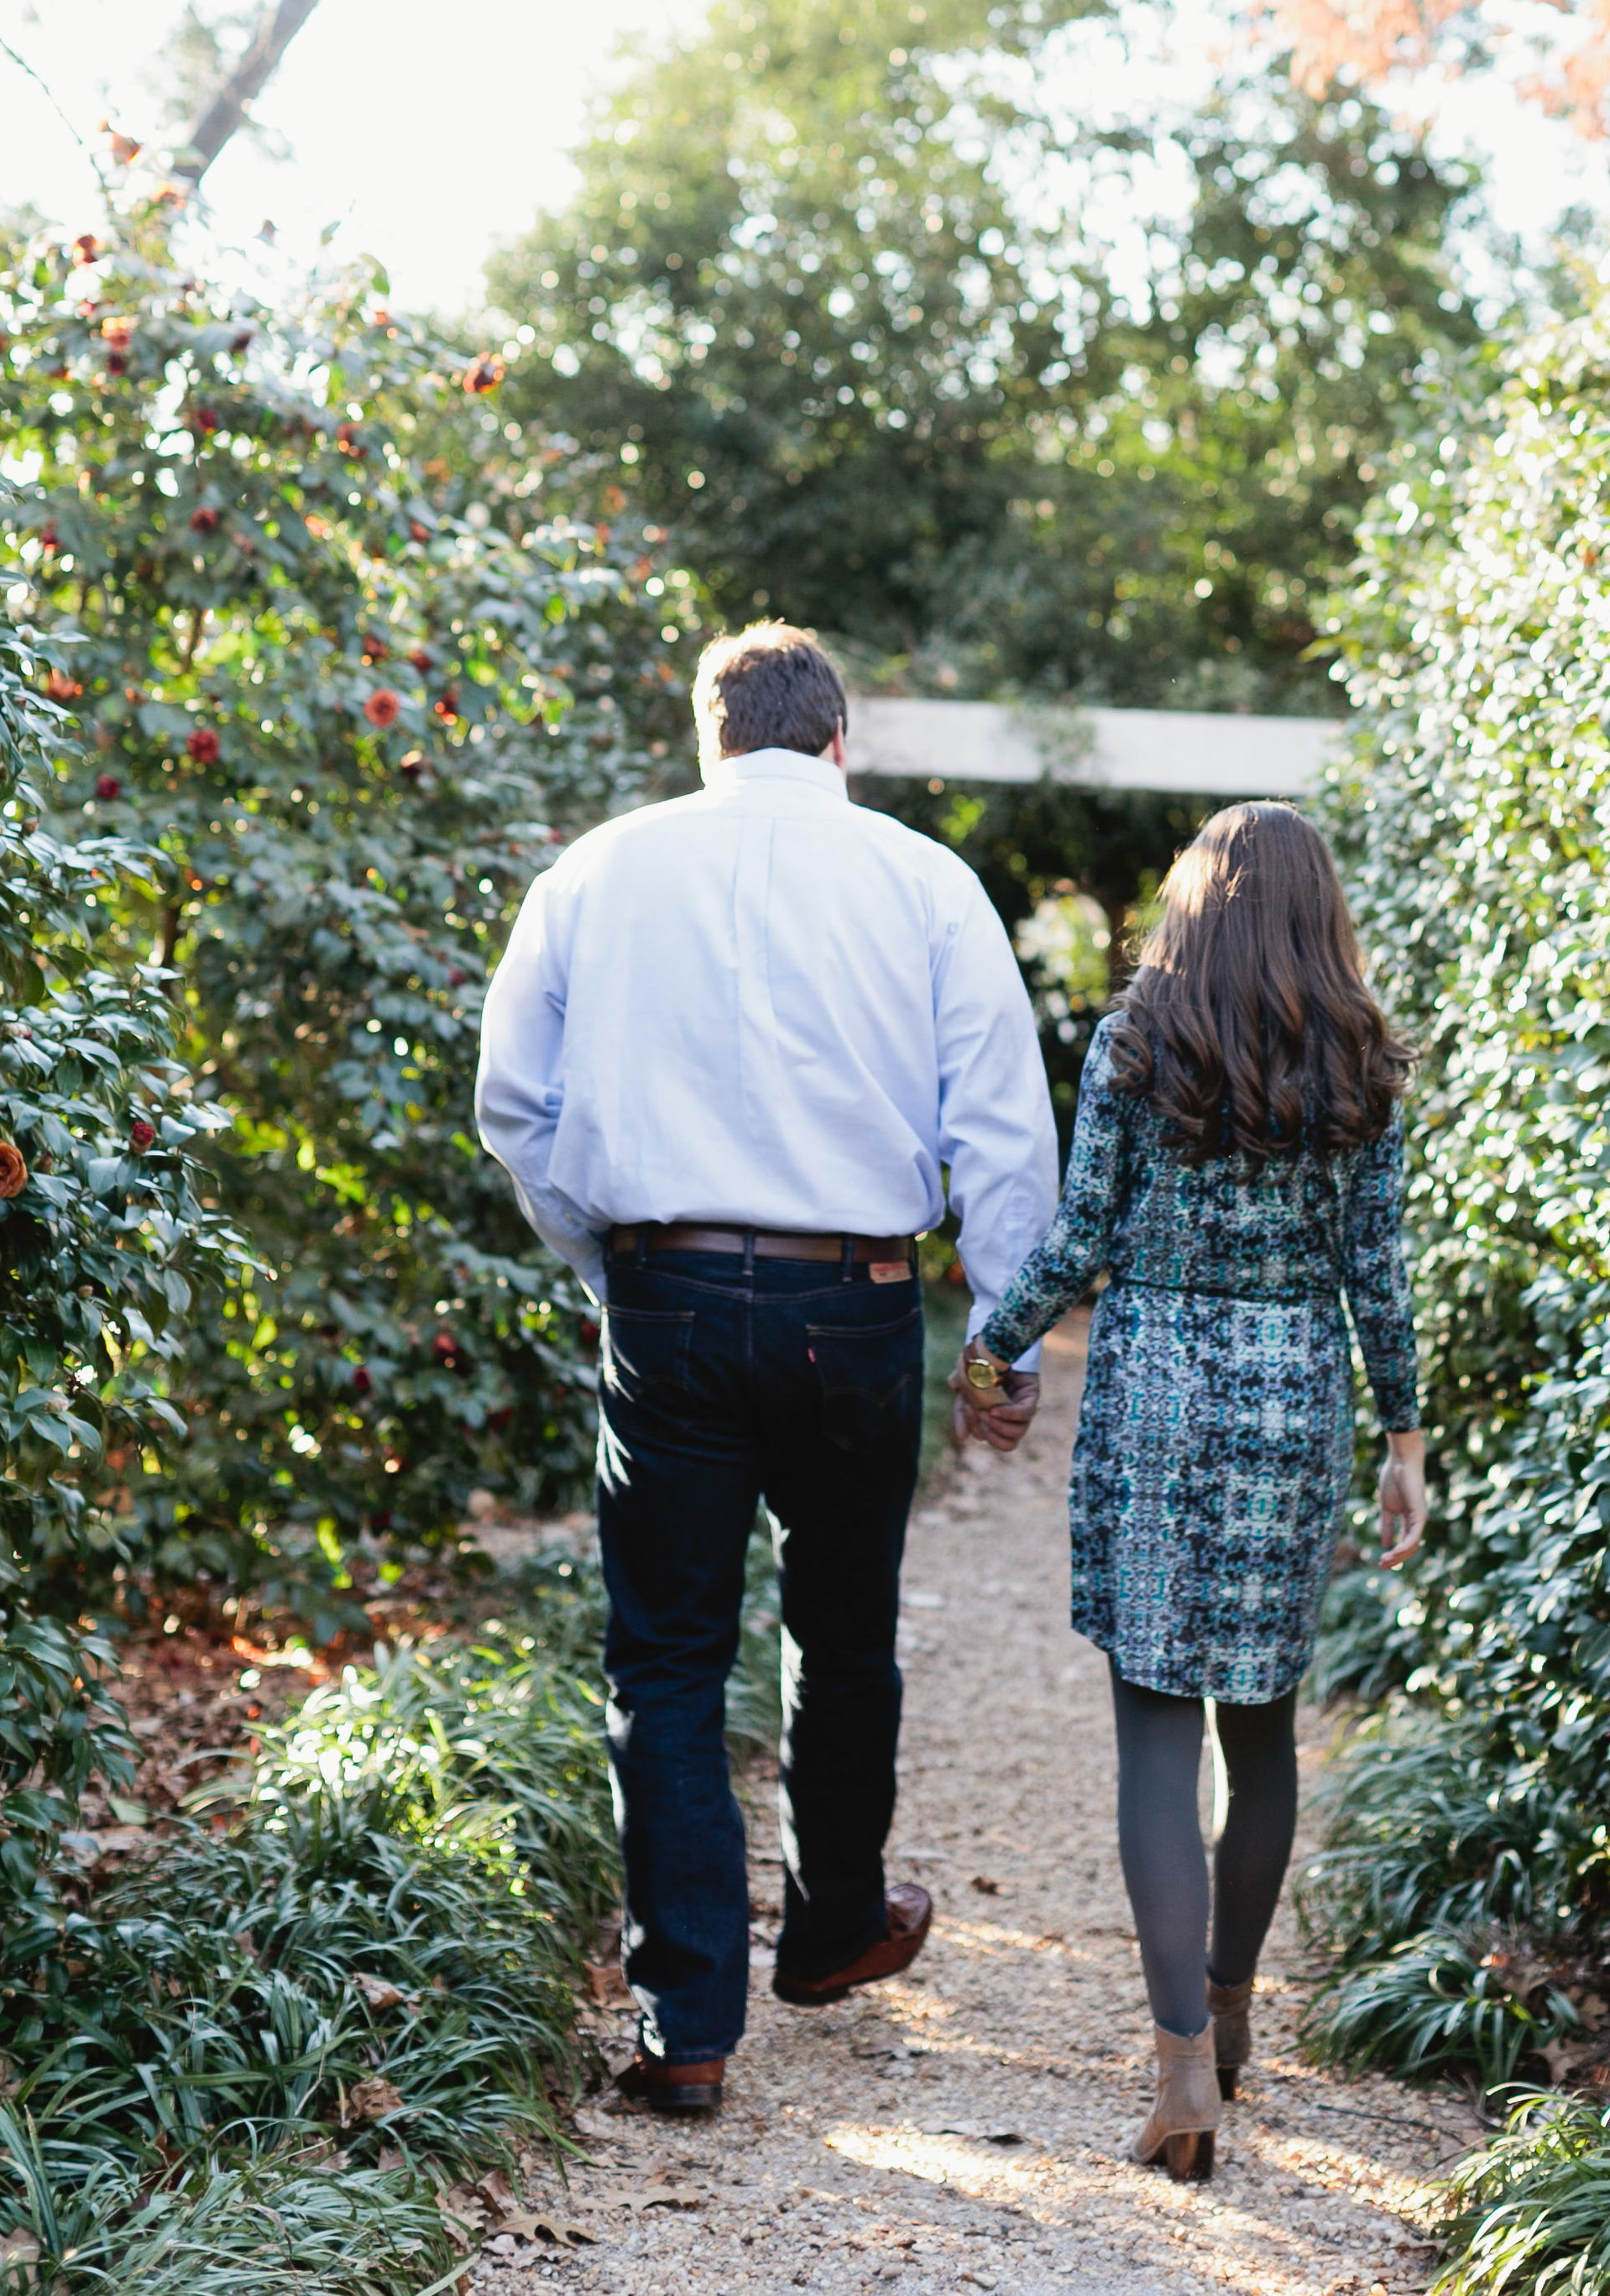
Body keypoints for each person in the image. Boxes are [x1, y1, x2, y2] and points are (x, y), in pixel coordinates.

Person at [474, 623, 1058, 2115]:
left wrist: (612, 1265)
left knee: (665, 1656)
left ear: (706, 738)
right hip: (853, 1302)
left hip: (667, 1295)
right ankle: (834, 1928)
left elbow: (515, 1105)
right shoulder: (927, 881)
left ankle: (687, 2029)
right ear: (839, 740)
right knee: (845, 1627)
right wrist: (1001, 1334)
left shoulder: (595, 872)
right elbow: (1000, 1123)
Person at [951, 800, 1425, 2184]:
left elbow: (1084, 1233)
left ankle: (1177, 2079)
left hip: (1159, 1382)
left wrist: (993, 1341)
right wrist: (1404, 1433)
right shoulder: (1362, 1059)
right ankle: (1230, 2018)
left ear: (1195, 901)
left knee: (1157, 1731)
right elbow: (1375, 1274)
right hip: (1290, 1395)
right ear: (1320, 911)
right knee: (1263, 1728)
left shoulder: (1139, 1040)